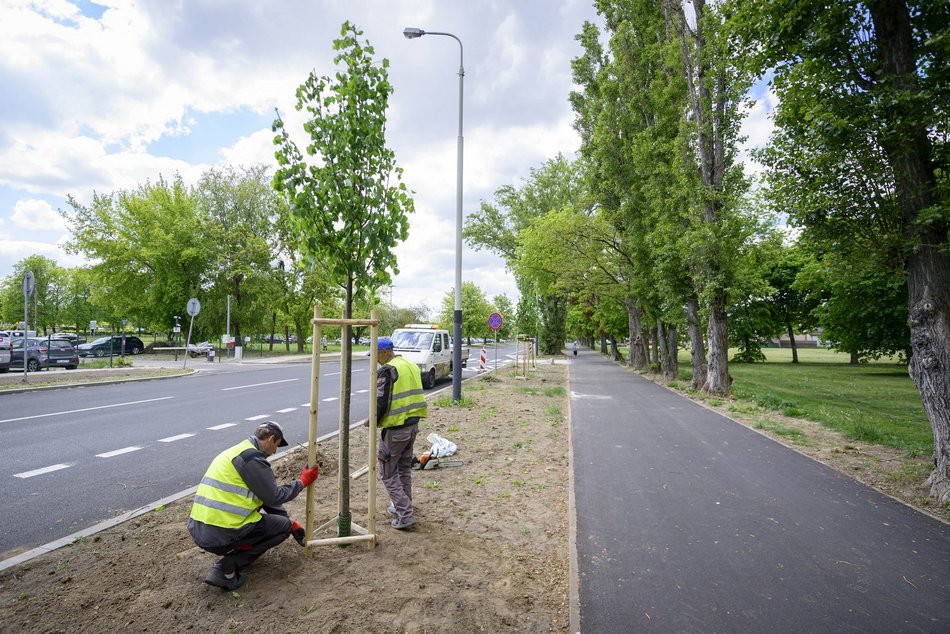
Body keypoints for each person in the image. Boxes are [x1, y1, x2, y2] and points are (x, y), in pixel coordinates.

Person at [188, 421, 318, 590]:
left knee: (284, 524)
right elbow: (274, 496)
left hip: (199, 529)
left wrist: (291, 522)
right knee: (282, 528)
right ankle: (227, 567)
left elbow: (263, 497)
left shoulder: (235, 452)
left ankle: (234, 552)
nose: (275, 451)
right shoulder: (252, 459)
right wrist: (302, 482)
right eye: (276, 445)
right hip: (221, 532)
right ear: (271, 439)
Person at [360, 337, 428, 530]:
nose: (374, 360)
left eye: (375, 355)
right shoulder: (409, 365)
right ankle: (403, 506)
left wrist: (372, 419)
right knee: (404, 469)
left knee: (388, 473)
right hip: (412, 426)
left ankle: (405, 515)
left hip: (396, 429)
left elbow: (382, 400)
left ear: (384, 352)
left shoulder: (388, 370)